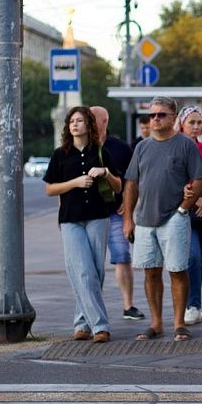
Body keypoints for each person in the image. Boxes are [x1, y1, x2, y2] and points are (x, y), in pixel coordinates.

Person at [123, 97, 202, 342]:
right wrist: (128, 219)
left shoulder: (185, 145)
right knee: (150, 272)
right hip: (144, 220)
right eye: (152, 115)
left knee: (178, 270)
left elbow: (198, 180)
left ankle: (179, 323)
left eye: (161, 114)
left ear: (173, 117)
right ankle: (156, 323)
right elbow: (131, 183)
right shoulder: (142, 147)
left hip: (174, 217)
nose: (156, 119)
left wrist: (183, 208)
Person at [43, 106, 122, 343]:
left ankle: (81, 323)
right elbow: (50, 189)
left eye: (79, 120)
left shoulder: (100, 152)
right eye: (71, 121)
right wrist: (75, 182)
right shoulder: (60, 154)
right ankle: (100, 326)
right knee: (83, 271)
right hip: (71, 219)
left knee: (95, 273)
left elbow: (118, 186)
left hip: (98, 217)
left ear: (89, 124)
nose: (75, 125)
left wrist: (105, 172)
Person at [89, 106, 144, 321]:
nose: (87, 122)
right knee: (89, 262)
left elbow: (134, 179)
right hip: (88, 213)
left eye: (91, 119)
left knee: (122, 256)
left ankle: (128, 305)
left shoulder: (120, 148)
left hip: (115, 212)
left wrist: (130, 205)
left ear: (104, 121)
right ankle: (91, 306)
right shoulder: (81, 146)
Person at [175, 105, 202, 325]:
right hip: (185, 211)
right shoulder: (175, 147)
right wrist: (197, 199)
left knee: (200, 262)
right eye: (192, 122)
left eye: (199, 122)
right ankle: (191, 305)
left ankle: (195, 306)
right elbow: (173, 180)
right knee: (192, 258)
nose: (196, 126)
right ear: (182, 124)